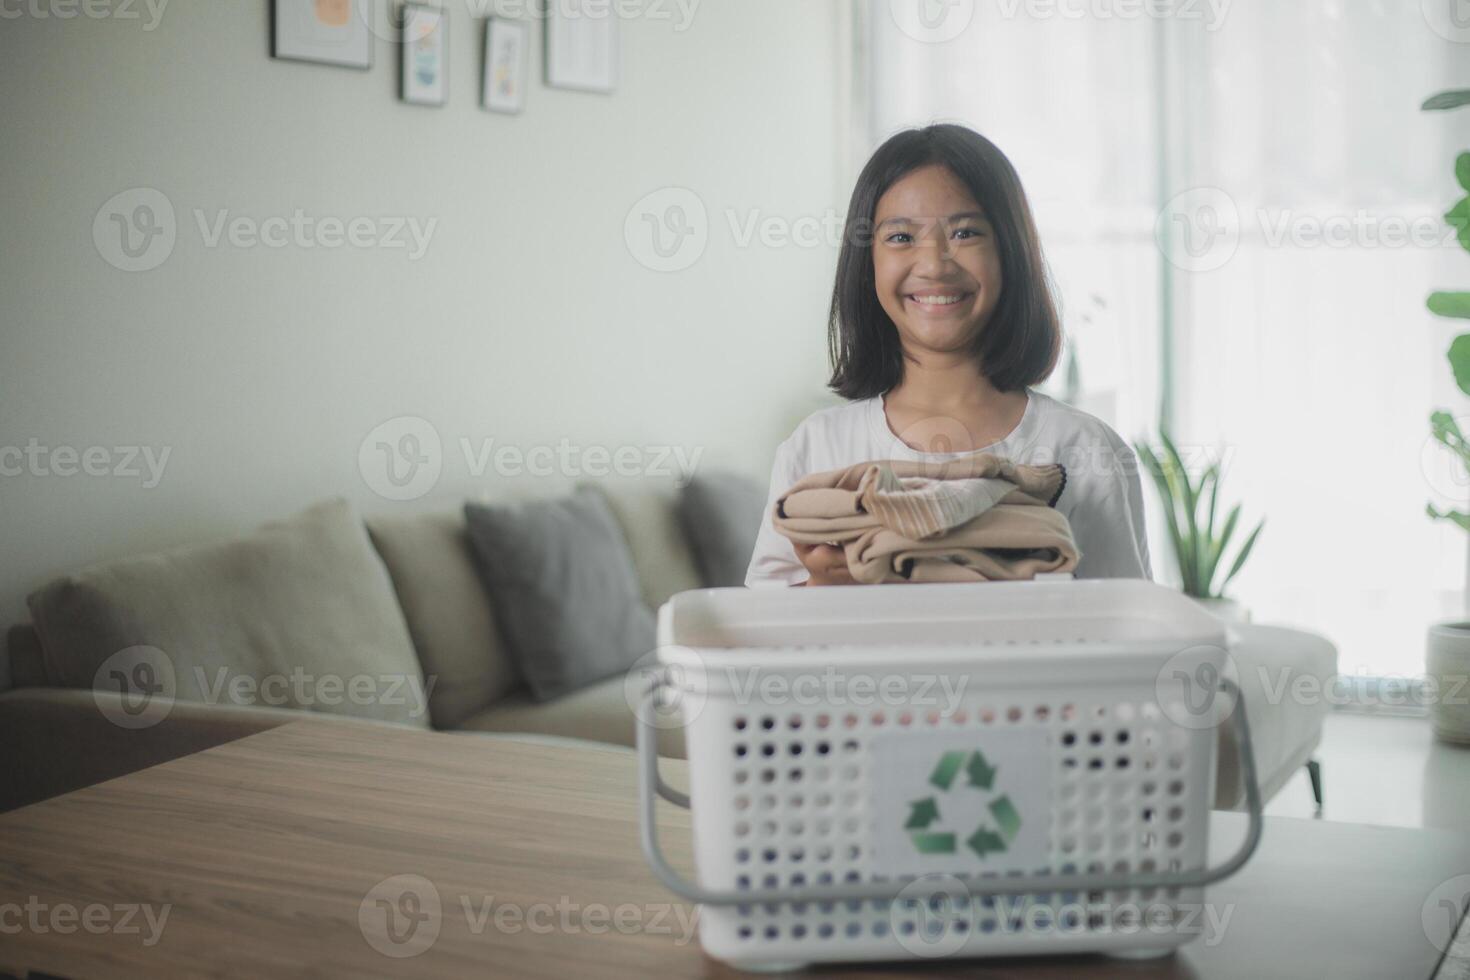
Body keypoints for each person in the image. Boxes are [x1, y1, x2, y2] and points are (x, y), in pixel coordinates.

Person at [744, 123, 1152, 587]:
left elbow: (1124, 635)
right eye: (900, 237)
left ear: (1011, 253)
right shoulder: (815, 449)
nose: (935, 264)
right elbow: (764, 630)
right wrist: (825, 584)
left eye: (965, 232)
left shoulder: (1087, 451)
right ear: (867, 263)